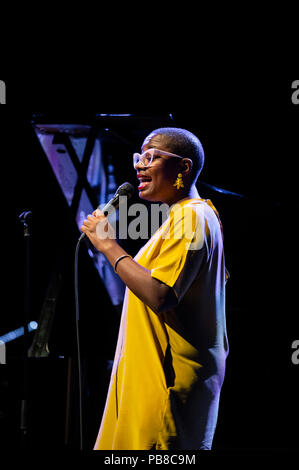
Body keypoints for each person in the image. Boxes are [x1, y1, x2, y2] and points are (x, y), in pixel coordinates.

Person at [81, 127, 229, 450]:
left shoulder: (195, 217)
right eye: (139, 157)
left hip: (166, 390)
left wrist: (108, 245)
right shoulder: (181, 218)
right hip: (149, 381)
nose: (140, 165)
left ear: (183, 168)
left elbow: (161, 294)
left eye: (151, 157)